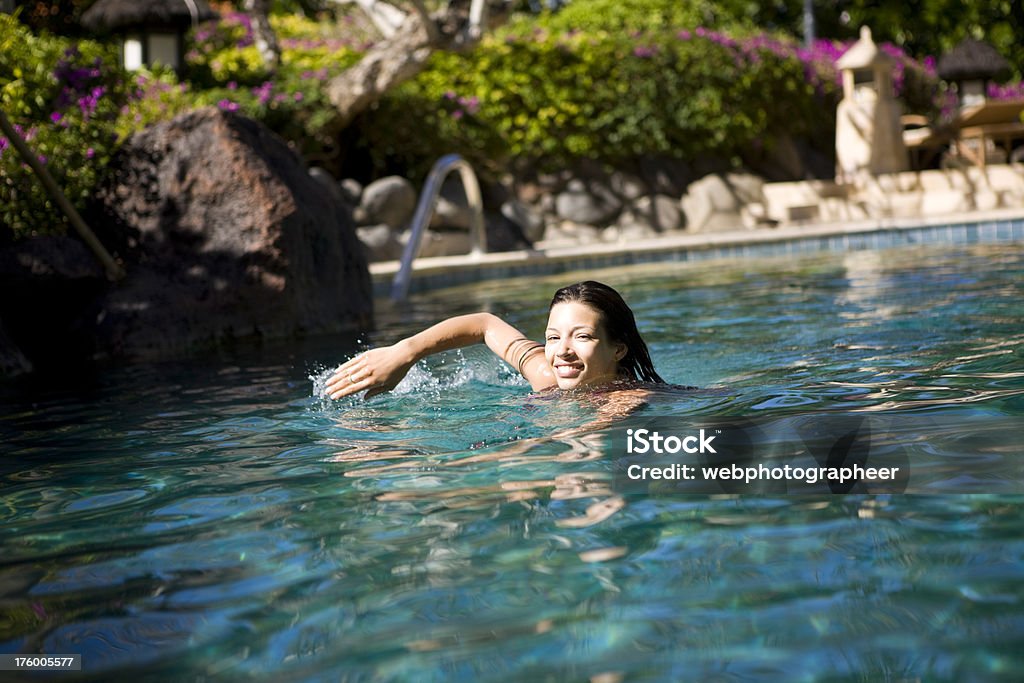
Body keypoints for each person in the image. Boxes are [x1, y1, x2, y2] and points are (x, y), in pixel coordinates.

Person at [327, 280, 665, 400]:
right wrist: (405, 352)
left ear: (617, 348)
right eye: (552, 337)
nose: (562, 350)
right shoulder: (546, 375)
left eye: (583, 337)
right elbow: (485, 324)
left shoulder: (622, 405)